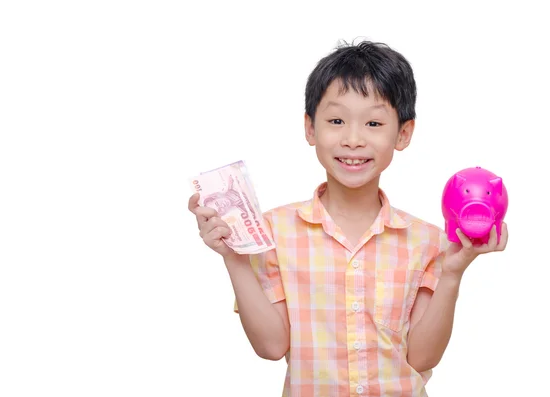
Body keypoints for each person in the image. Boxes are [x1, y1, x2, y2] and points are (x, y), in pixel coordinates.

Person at [188, 40, 508, 397]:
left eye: (373, 122)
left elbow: (420, 357)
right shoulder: (272, 231)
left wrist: (452, 273)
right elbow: (271, 346)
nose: (353, 139)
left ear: (402, 133)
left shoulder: (428, 241)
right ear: (310, 128)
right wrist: (234, 257)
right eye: (336, 120)